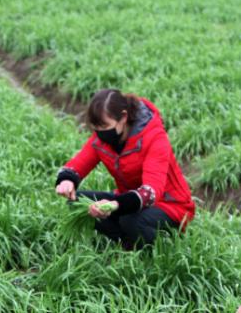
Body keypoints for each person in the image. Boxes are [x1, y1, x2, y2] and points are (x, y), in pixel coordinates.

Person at [54, 89, 195, 248]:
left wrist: (115, 205)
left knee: (130, 219)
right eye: (96, 128)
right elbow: (78, 164)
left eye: (105, 126)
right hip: (128, 200)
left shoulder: (155, 138)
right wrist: (66, 180)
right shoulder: (102, 138)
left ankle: (157, 252)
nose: (100, 134)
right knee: (77, 202)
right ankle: (127, 244)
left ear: (123, 117)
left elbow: (151, 193)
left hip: (170, 205)